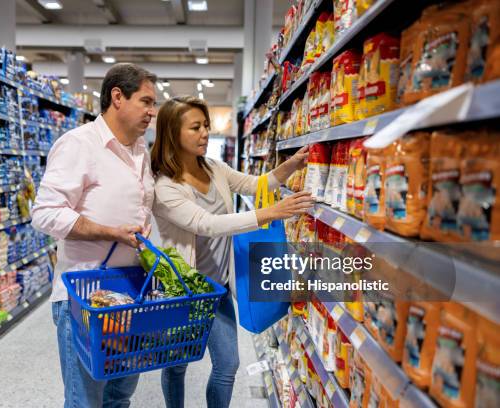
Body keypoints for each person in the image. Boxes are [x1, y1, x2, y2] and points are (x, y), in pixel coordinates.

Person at [150, 96, 314, 408]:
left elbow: (256, 185)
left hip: (218, 288)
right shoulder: (164, 187)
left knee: (228, 364)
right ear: (173, 133)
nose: (204, 133)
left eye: (206, 126)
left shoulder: (214, 168)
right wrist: (269, 214)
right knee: (176, 364)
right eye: (195, 127)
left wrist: (292, 164)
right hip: (181, 288)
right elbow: (206, 224)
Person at [31, 63, 157, 408]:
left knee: (120, 397)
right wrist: (109, 232)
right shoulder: (78, 145)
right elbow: (44, 213)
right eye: (146, 101)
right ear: (117, 97)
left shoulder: (140, 150)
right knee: (85, 400)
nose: (152, 111)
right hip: (83, 297)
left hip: (129, 294)